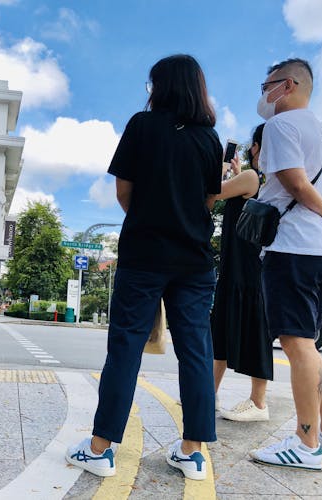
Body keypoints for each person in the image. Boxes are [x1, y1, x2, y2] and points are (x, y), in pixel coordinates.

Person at [66, 54, 223, 481]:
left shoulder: (142, 125)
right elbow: (209, 201)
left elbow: (123, 192)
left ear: (162, 86)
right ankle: (192, 452)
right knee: (196, 350)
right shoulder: (210, 140)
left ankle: (99, 449)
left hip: (144, 254)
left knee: (126, 348)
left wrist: (152, 217)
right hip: (194, 260)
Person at [249, 58, 322, 470]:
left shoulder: (279, 126)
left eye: (266, 84)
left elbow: (294, 181)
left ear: (287, 85)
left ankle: (305, 443)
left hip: (292, 249)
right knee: (306, 344)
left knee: (295, 344)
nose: (263, 93)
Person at [210, 123, 273, 422]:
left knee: (253, 332)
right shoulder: (254, 180)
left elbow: (211, 192)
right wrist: (233, 174)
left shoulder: (251, 177)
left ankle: (259, 403)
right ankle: (209, 393)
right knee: (220, 331)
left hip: (246, 270)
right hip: (236, 268)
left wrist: (221, 168)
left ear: (255, 148)